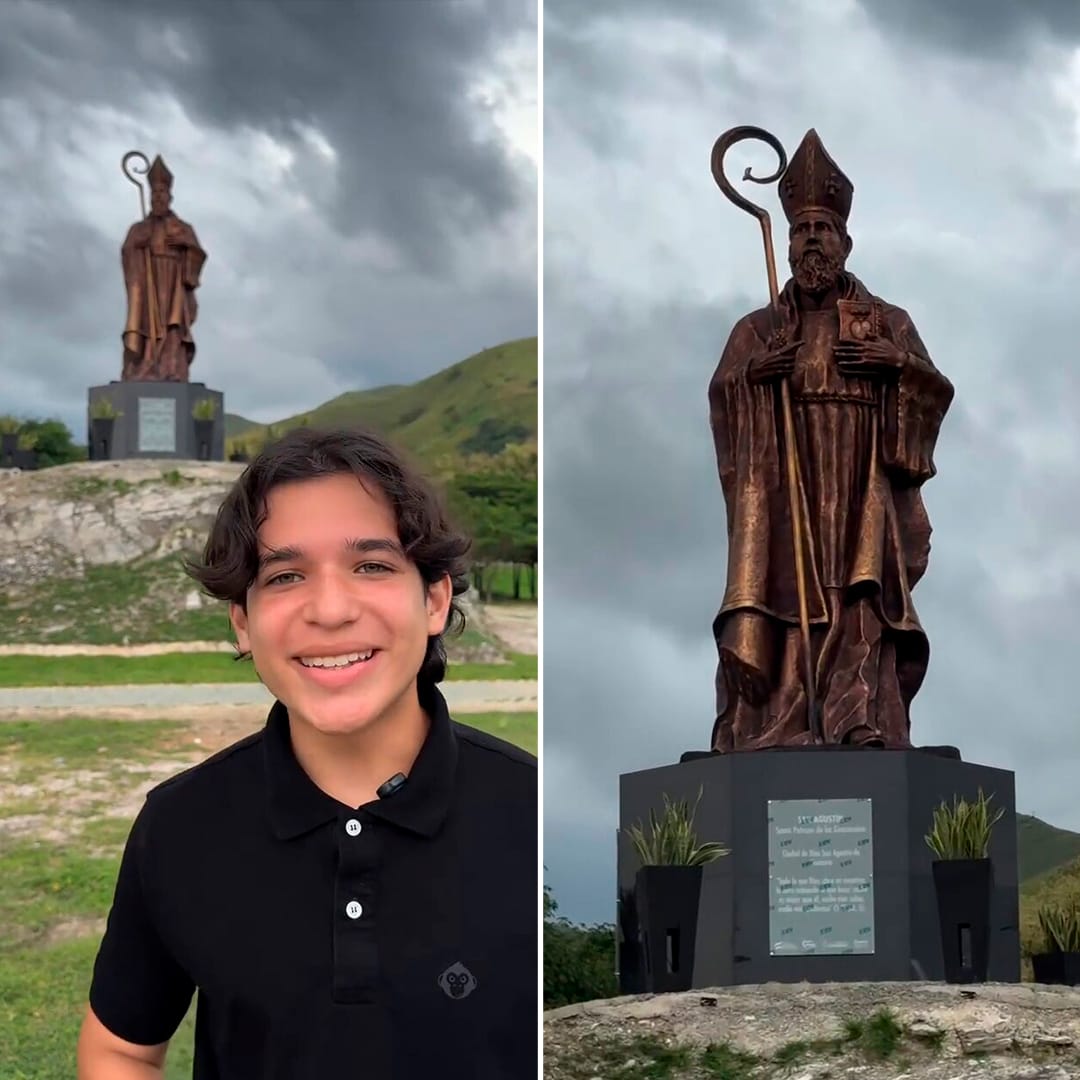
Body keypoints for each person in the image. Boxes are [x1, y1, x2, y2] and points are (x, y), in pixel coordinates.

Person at [76, 427, 538, 1079]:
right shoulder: (179, 825)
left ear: (434, 599)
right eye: (286, 575)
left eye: (372, 565)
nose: (329, 609)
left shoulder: (533, 814)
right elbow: (119, 1049)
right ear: (243, 620)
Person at [708, 129, 954, 752]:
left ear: (846, 242)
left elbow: (934, 389)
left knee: (861, 595)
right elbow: (723, 396)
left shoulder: (887, 320)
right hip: (787, 478)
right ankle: (781, 720)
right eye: (800, 229)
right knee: (788, 598)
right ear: (787, 243)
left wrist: (892, 364)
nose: (811, 238)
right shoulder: (759, 329)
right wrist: (755, 378)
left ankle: (856, 717)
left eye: (823, 228)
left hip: (861, 479)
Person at [121, 155, 207, 382]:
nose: (158, 198)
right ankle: (146, 365)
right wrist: (139, 245)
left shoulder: (182, 228)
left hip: (174, 283)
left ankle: (171, 369)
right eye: (154, 195)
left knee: (173, 326)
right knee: (147, 326)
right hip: (148, 281)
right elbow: (127, 250)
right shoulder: (140, 228)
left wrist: (183, 246)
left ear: (170, 197)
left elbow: (198, 253)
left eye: (162, 194)